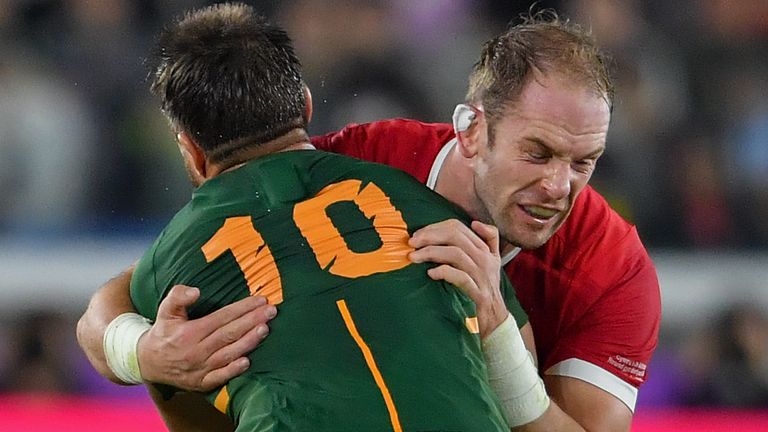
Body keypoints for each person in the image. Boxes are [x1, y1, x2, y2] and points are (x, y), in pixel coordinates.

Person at [77, 8, 661, 432]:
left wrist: (497, 331)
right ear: (472, 129)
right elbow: (125, 295)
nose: (561, 186)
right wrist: (144, 352)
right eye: (538, 153)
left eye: (584, 162)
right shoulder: (368, 161)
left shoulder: (613, 268)